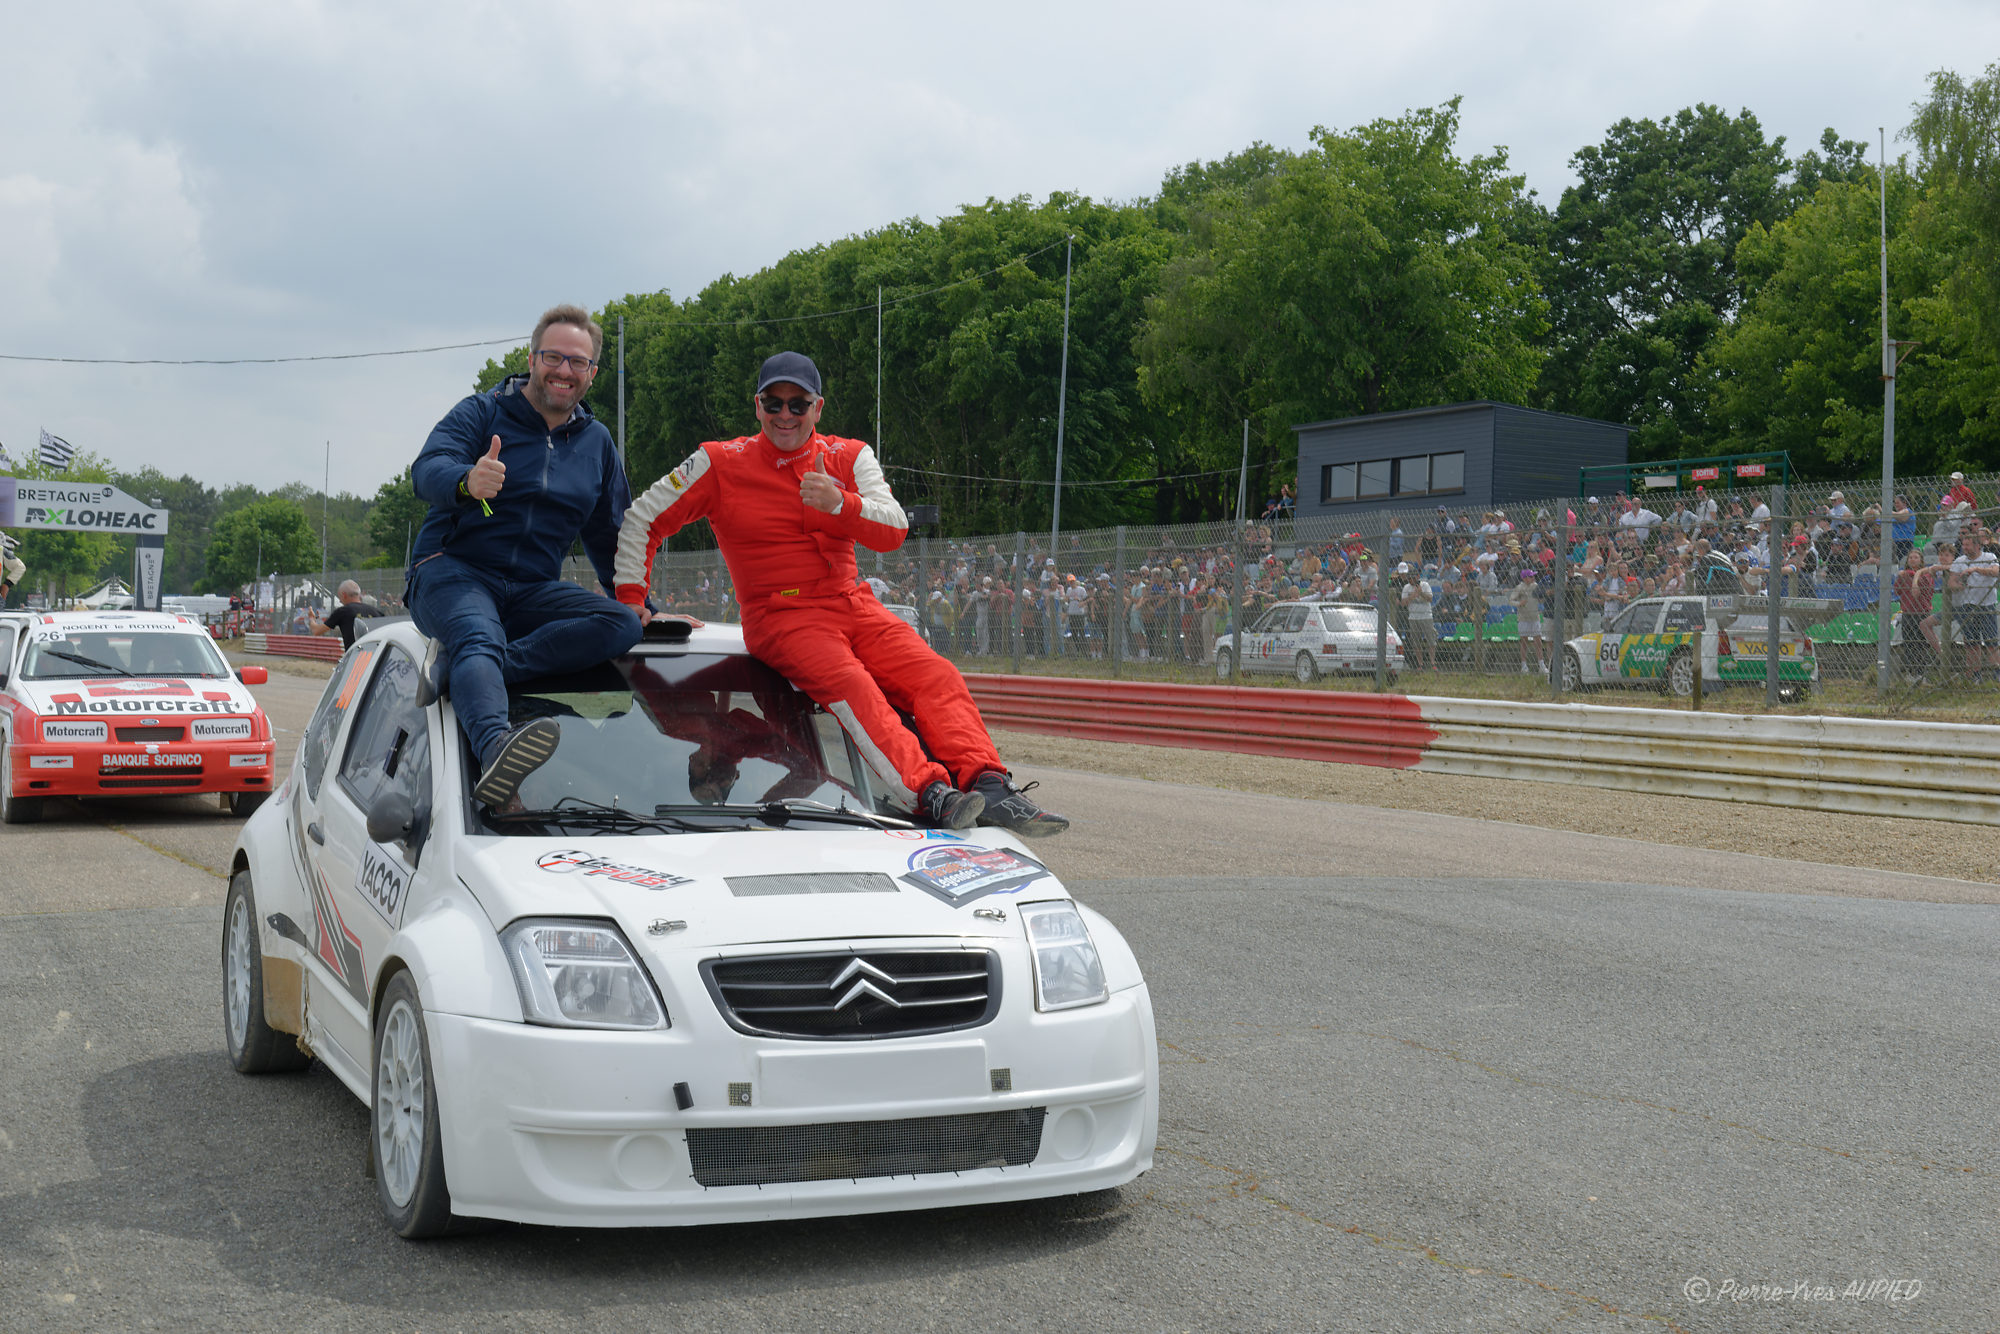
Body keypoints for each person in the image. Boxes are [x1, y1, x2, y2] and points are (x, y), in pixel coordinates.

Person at [612, 352, 1065, 836]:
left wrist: (839, 504)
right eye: (774, 402)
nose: (785, 414)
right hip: (780, 614)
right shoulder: (719, 462)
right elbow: (642, 517)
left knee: (937, 674)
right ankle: (929, 793)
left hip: (853, 602)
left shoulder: (850, 455)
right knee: (852, 686)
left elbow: (894, 529)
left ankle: (991, 786)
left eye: (798, 404)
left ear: (818, 407)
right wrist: (632, 599)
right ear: (757, 406)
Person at [405, 304, 643, 808]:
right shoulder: (481, 412)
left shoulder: (597, 443)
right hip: (452, 569)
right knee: (476, 633)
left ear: (592, 374)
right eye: (553, 357)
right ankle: (496, 750)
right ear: (532, 359)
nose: (564, 371)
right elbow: (426, 469)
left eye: (578, 363)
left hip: (531, 587)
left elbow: (610, 534)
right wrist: (468, 481)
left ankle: (472, 669)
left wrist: (640, 600)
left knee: (622, 625)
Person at [313, 580, 386, 649]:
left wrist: (311, 618)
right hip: (374, 657)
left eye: (340, 597)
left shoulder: (342, 611)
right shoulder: (377, 612)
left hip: (355, 657)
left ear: (344, 595)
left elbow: (317, 631)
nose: (340, 601)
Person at [0, 532, 23, 605]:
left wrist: (7, 585)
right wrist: (7, 585)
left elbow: (20, 567)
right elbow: (20, 567)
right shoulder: (1, 550)